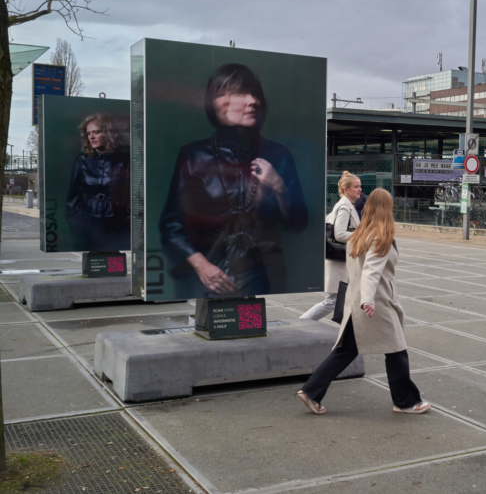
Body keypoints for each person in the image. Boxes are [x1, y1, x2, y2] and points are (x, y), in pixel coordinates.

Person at [159, 63, 308, 298]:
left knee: (253, 332)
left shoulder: (279, 154)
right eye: (241, 93)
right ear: (218, 101)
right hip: (207, 279)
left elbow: (298, 224)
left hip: (263, 277)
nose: (253, 101)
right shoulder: (193, 155)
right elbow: (171, 226)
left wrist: (279, 186)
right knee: (213, 329)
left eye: (255, 93)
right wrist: (203, 268)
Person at [296, 188, 430, 415]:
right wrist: (368, 300)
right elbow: (371, 272)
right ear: (386, 209)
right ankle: (405, 402)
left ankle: (311, 391)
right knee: (396, 350)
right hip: (376, 305)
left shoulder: (359, 234)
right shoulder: (379, 236)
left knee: (345, 351)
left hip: (355, 304)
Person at [299, 171, 361, 321]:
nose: (360, 189)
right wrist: (361, 236)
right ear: (346, 189)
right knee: (332, 302)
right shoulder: (345, 207)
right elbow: (340, 234)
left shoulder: (345, 205)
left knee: (345, 300)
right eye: (356, 186)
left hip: (340, 262)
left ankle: (351, 336)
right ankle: (303, 322)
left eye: (360, 186)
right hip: (338, 263)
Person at [65, 113, 130, 250]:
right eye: (89, 133)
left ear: (108, 133)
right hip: (86, 222)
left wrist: (127, 220)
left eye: (96, 132)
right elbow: (72, 197)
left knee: (113, 259)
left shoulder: (125, 160)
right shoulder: (82, 161)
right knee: (93, 262)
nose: (91, 137)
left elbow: (133, 194)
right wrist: (76, 221)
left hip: (116, 222)